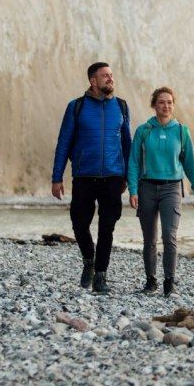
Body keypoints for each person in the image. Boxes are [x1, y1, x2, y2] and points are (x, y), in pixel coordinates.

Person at [51, 62, 132, 294]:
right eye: (105, 76)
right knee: (79, 223)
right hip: (84, 176)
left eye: (111, 75)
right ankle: (89, 259)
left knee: (107, 227)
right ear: (93, 81)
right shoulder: (76, 107)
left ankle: (100, 276)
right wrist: (57, 177)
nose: (110, 79)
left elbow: (127, 143)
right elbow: (63, 143)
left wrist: (129, 176)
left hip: (113, 177)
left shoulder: (122, 107)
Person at [128, 86, 194, 297]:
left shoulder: (182, 131)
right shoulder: (144, 131)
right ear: (154, 105)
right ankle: (150, 282)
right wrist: (133, 189)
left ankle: (169, 283)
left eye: (169, 102)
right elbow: (133, 162)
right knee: (149, 239)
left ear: (173, 105)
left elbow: (190, 163)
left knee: (169, 236)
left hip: (172, 189)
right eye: (161, 102)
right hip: (147, 188)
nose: (166, 106)